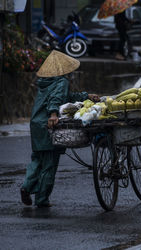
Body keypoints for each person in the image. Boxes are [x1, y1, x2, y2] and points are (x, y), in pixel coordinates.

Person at [20, 50, 99, 208]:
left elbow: (67, 97)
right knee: (49, 162)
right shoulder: (61, 81)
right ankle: (42, 199)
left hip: (36, 123)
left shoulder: (45, 82)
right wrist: (53, 114)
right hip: (48, 123)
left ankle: (26, 186)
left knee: (37, 158)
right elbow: (56, 99)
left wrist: (86, 96)